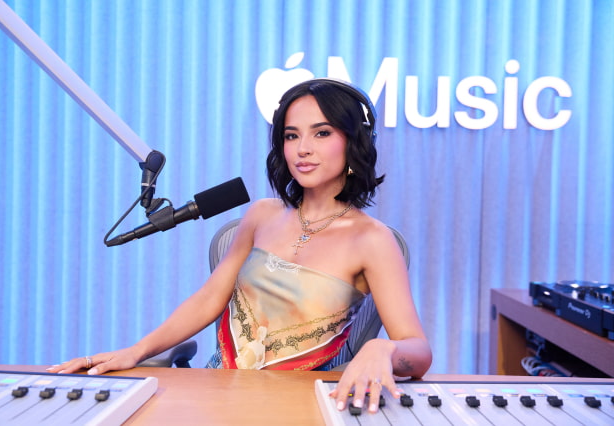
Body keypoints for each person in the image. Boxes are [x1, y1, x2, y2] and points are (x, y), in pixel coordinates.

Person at [48, 78, 432, 413]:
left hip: (302, 406)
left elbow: (418, 351)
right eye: (291, 135)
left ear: (355, 142)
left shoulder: (373, 239)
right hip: (218, 395)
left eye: (322, 133)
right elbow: (209, 299)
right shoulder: (262, 214)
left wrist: (383, 350)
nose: (302, 148)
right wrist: (137, 351)